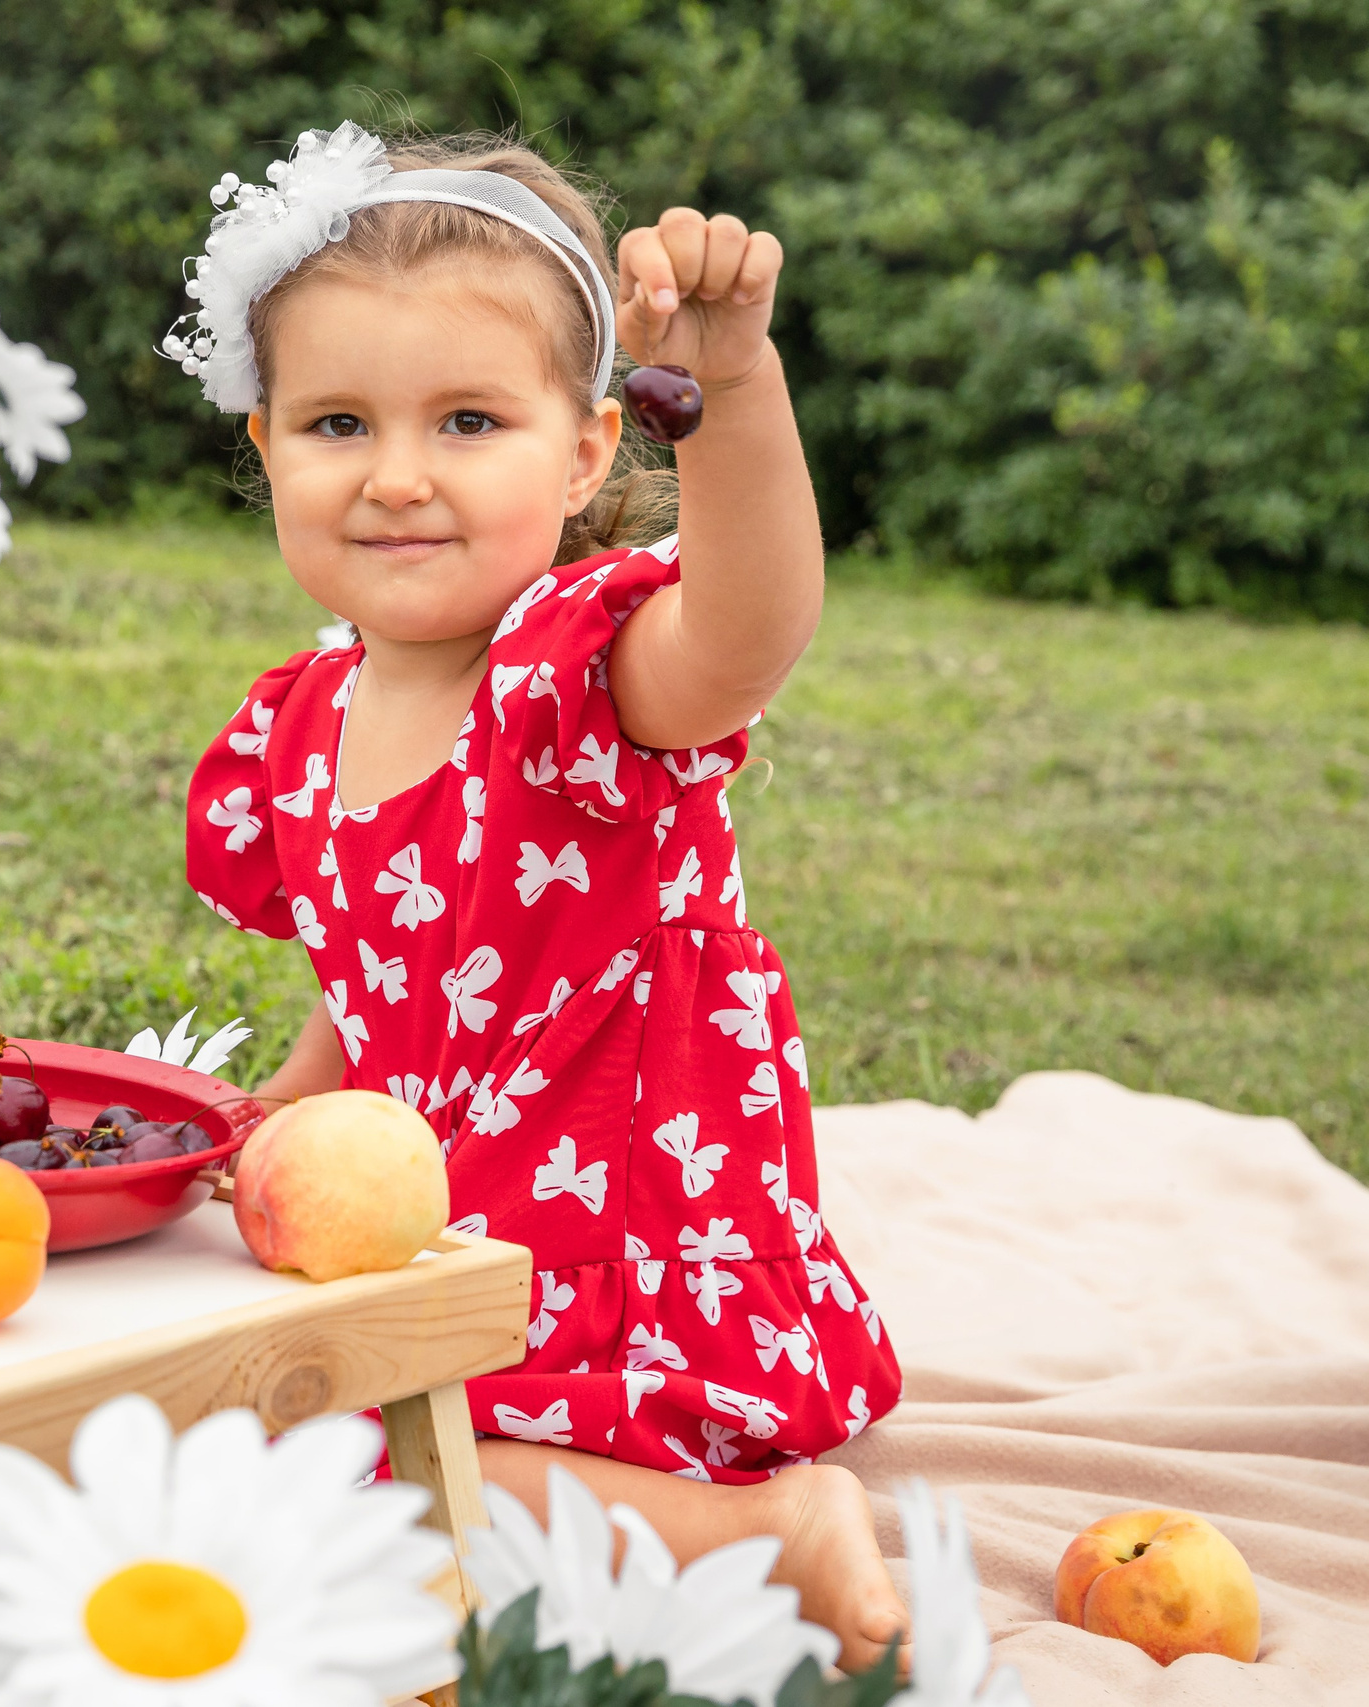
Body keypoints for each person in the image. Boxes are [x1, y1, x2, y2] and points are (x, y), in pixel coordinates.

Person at [174, 125, 906, 1667]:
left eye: (466, 420)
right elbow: (377, 1003)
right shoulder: (300, 725)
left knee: (333, 1484)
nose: (395, 476)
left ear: (584, 451)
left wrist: (733, 393)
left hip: (620, 1267)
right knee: (173, 1409)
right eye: (334, 423)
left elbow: (751, 631)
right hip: (444, 1237)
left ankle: (761, 1535)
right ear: (265, 451)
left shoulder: (575, 675)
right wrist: (232, 1158)